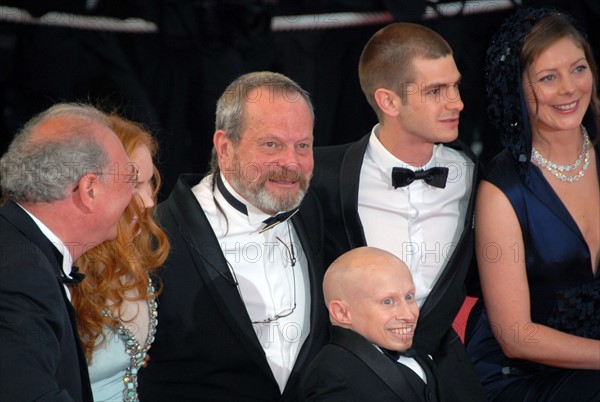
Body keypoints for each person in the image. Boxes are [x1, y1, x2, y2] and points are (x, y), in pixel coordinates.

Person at [310, 22, 485, 401]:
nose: (457, 102)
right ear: (389, 101)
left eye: (455, 86)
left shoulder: (472, 176)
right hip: (354, 383)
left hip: (448, 381)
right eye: (436, 91)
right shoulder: (322, 177)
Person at [137, 71, 328, 401]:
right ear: (225, 147)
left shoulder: (313, 211)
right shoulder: (155, 236)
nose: (291, 163)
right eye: (271, 144)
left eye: (303, 146)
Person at [465, 7, 600, 401]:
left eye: (578, 69)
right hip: (523, 375)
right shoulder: (502, 191)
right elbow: (516, 337)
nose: (569, 88)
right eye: (547, 78)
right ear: (517, 89)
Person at [0, 103, 135, 402]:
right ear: (89, 190)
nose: (135, 194)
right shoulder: (20, 273)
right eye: (130, 177)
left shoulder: (23, 249)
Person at [71, 114, 170, 402]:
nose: (150, 201)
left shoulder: (135, 254)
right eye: (135, 184)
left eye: (149, 183)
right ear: (91, 187)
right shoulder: (53, 269)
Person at [300, 246, 441, 402]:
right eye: (388, 301)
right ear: (342, 312)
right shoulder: (332, 374)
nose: (408, 314)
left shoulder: (419, 354)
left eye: (409, 297)